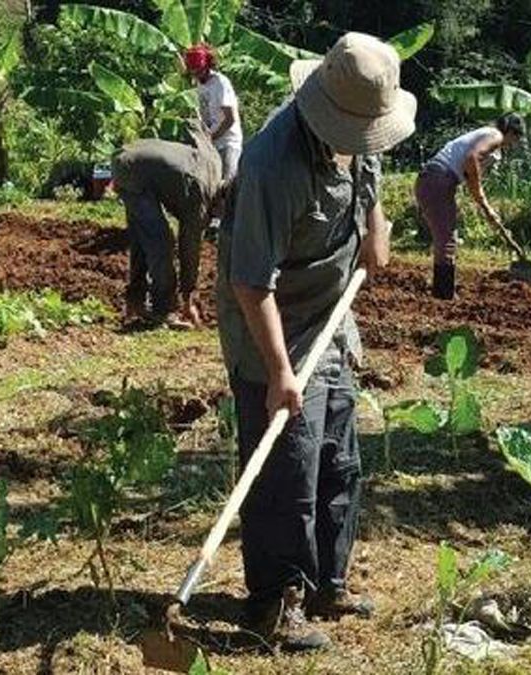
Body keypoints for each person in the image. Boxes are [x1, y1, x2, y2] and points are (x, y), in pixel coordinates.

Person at [216, 32, 414, 652]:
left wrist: (375, 228)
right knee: (285, 469)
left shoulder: (359, 128)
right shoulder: (274, 163)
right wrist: (278, 372)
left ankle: (329, 578)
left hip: (332, 315)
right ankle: (276, 601)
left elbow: (370, 177)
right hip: (272, 325)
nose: (364, 142)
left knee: (338, 458)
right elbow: (250, 282)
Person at [112, 124, 222, 328]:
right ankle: (164, 310)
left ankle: (135, 301)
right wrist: (189, 294)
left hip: (132, 157)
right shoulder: (201, 196)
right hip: (133, 172)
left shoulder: (214, 167)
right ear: (223, 204)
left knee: (142, 239)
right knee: (161, 244)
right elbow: (189, 248)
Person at [415, 115, 526, 299]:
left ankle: (444, 291)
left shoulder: (486, 136)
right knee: (446, 239)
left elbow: (469, 172)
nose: (513, 144)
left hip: (436, 181)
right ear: (511, 132)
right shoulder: (495, 135)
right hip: (437, 180)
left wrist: (485, 205)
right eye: (516, 138)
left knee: (448, 237)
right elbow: (471, 159)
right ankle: (443, 295)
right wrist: (482, 198)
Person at [185, 43, 242, 234]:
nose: (196, 74)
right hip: (211, 141)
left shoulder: (220, 83)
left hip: (228, 141)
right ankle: (212, 223)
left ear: (207, 65)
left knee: (226, 184)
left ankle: (226, 228)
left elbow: (230, 118)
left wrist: (211, 136)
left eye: (198, 70)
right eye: (193, 71)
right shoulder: (200, 85)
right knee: (208, 183)